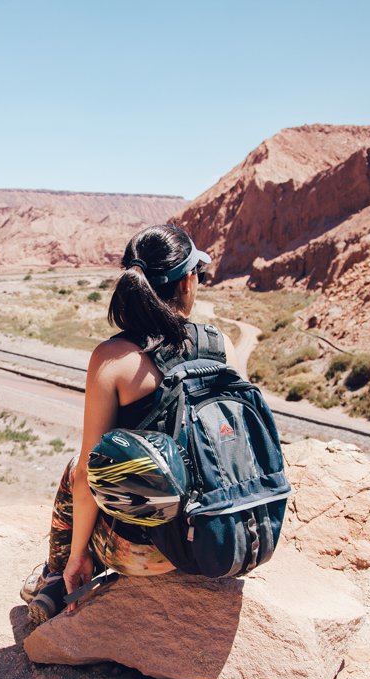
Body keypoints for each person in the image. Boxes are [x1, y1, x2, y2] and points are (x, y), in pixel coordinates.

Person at [21, 223, 240, 624]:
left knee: (75, 468)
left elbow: (87, 476)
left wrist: (78, 554)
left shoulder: (113, 359)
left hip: (147, 554)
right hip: (220, 534)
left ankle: (56, 576)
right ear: (187, 282)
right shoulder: (221, 345)